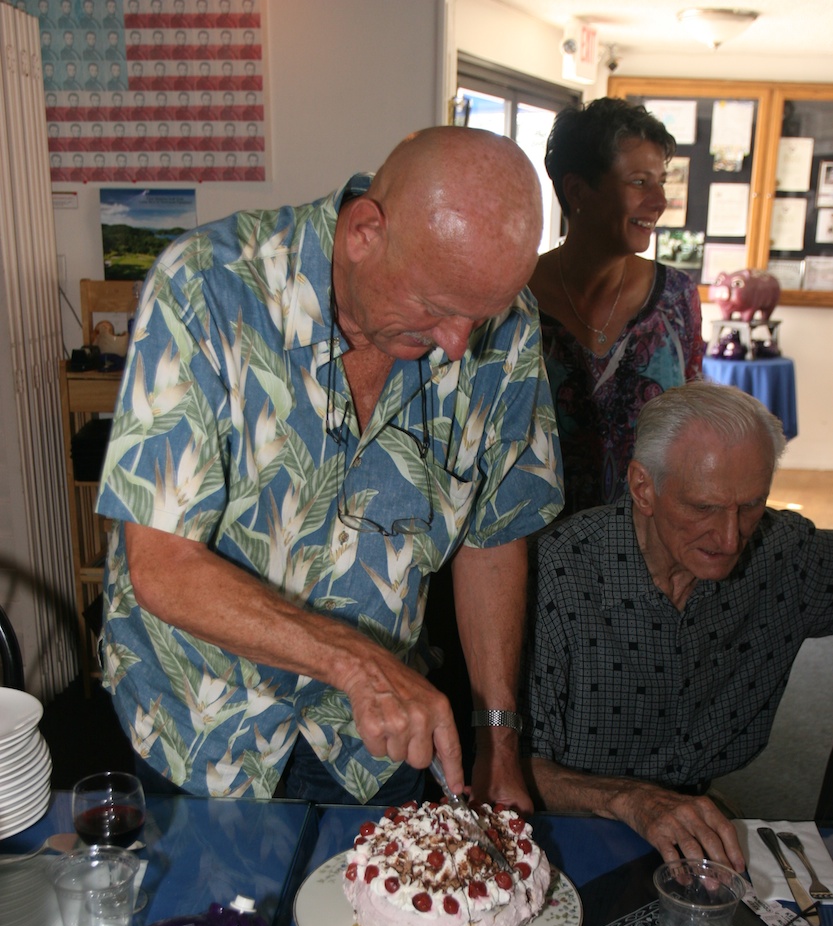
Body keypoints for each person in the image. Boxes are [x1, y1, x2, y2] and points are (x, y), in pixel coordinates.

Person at [96, 126, 562, 806]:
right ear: (364, 232)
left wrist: (498, 736)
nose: (459, 345)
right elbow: (163, 565)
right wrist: (357, 664)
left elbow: (493, 537)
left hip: (372, 742)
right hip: (202, 720)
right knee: (212, 913)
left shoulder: (506, 325)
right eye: (434, 309)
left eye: (478, 316)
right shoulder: (207, 286)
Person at [521, 381, 833, 869]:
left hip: (699, 825)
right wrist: (634, 801)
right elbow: (510, 767)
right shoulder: (559, 576)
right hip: (569, 830)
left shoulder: (781, 552)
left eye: (750, 505)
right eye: (704, 508)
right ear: (643, 488)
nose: (730, 538)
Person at [530, 98, 703, 516]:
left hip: (646, 550)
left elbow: (696, 427)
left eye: (662, 181)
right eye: (640, 182)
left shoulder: (676, 298)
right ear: (577, 190)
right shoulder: (513, 300)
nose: (660, 201)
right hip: (534, 555)